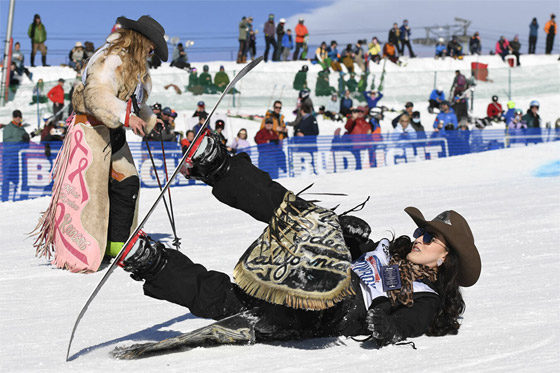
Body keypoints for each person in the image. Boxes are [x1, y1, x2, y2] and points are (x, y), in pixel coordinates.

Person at [120, 131, 481, 348]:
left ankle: (152, 262)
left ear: (445, 258)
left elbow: (413, 322)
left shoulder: (427, 296)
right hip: (313, 271)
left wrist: (389, 327)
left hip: (331, 309)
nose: (419, 239)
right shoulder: (386, 252)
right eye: (422, 231)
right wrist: (348, 231)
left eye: (430, 238)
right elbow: (346, 247)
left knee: (236, 304)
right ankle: (219, 166)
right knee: (302, 214)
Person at [33, 15, 168, 273]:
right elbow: (96, 95)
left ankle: (118, 244)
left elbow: (134, 104)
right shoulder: (110, 59)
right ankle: (87, 249)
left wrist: (150, 121)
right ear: (142, 40)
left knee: (127, 182)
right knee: (91, 196)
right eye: (152, 45)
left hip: (113, 132)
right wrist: (127, 117)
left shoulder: (132, 66)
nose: (153, 51)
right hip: (91, 132)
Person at [2, 110, 30, 202]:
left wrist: (27, 140)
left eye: (19, 116)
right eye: (16, 116)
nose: (18, 118)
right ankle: (5, 198)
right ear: (13, 117)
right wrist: (21, 139)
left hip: (19, 158)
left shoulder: (22, 129)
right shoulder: (8, 128)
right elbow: (7, 141)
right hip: (9, 157)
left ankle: (17, 198)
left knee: (18, 178)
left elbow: (25, 144)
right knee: (7, 178)